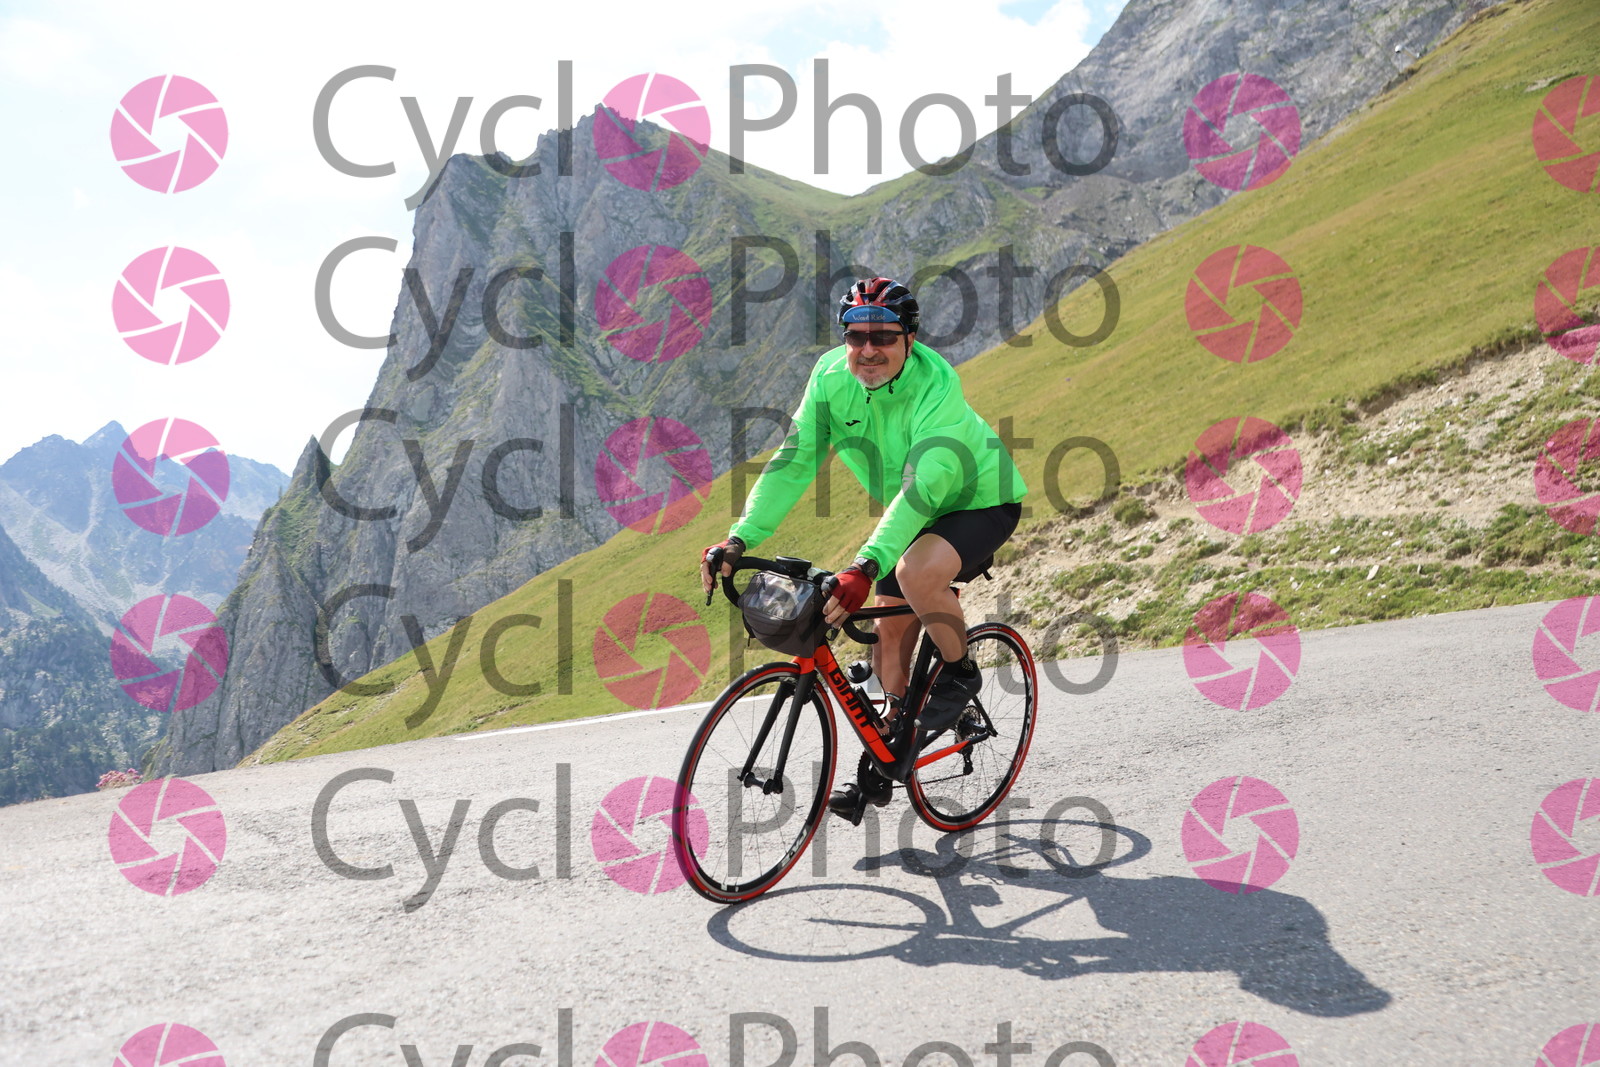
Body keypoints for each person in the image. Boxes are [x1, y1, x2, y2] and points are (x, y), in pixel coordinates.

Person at [699, 277, 1027, 824]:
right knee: (889, 632)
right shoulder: (830, 378)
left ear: (910, 340)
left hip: (978, 500)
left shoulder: (936, 386)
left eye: (883, 337)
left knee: (915, 572)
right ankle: (887, 758)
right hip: (910, 509)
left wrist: (866, 564)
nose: (868, 349)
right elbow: (794, 461)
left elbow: (926, 485)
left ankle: (960, 671)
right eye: (856, 336)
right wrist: (740, 538)